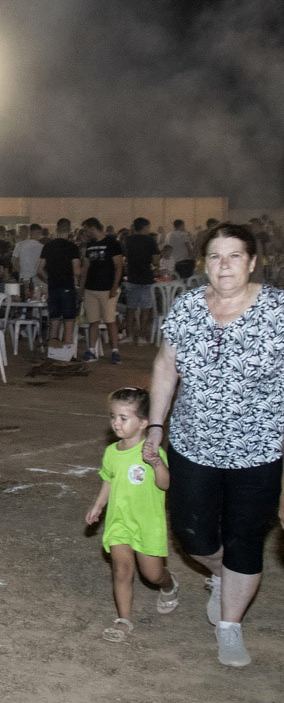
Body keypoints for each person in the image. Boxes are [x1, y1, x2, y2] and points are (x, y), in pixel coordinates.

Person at [146, 224, 284, 667]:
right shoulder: (187, 306)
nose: (224, 266)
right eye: (215, 257)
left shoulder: (278, 311)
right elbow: (165, 367)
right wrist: (155, 425)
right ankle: (225, 576)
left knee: (245, 538)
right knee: (193, 536)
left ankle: (230, 627)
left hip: (260, 450)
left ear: (253, 261)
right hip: (193, 445)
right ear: (204, 262)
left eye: (234, 256)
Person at [85, 387, 178, 643]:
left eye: (123, 418)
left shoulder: (152, 452)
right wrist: (98, 505)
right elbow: (109, 480)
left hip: (147, 524)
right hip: (119, 521)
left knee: (153, 575)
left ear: (143, 423)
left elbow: (164, 485)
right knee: (121, 570)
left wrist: (156, 463)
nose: (116, 423)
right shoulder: (111, 452)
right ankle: (124, 620)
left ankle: (169, 584)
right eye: (113, 416)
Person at [80, 217, 124, 364]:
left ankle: (115, 351)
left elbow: (118, 266)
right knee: (93, 321)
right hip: (91, 288)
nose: (85, 233)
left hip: (106, 288)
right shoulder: (90, 245)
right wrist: (82, 287)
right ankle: (92, 350)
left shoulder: (112, 243)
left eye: (86, 230)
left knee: (110, 321)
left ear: (93, 228)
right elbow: (86, 267)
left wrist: (114, 286)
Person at [38, 218, 81, 344]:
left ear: (57, 229)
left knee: (54, 320)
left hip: (53, 287)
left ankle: (53, 349)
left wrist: (49, 279)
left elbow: (40, 270)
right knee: (68, 321)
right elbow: (77, 271)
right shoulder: (72, 247)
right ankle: (66, 351)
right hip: (67, 287)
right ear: (69, 230)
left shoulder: (48, 246)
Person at [123, 217, 161, 345]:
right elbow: (155, 261)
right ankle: (141, 337)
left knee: (130, 309)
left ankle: (129, 336)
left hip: (132, 277)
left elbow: (125, 258)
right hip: (146, 278)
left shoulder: (128, 240)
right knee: (145, 309)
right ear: (145, 227)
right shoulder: (150, 240)